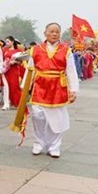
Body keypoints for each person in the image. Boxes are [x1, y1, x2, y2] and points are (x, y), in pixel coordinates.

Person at [24, 23, 79, 158]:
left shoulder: (66, 50)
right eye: (51, 31)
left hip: (58, 87)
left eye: (57, 32)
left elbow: (71, 71)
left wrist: (73, 90)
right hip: (39, 86)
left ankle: (54, 146)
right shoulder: (35, 49)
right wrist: (24, 87)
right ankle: (38, 143)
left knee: (57, 118)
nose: (54, 34)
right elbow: (30, 69)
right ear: (45, 33)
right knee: (37, 116)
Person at [2, 36, 26, 109]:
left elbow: (20, 61)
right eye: (6, 41)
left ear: (12, 42)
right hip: (5, 71)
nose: (7, 43)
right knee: (6, 87)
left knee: (14, 86)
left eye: (8, 41)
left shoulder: (18, 51)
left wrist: (14, 62)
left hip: (14, 70)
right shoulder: (4, 50)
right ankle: (6, 103)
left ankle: (18, 102)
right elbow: (1, 60)